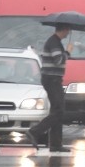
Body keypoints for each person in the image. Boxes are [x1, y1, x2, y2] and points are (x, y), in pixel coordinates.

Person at [26, 23, 73, 152]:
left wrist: (65, 52)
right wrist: (68, 51)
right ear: (63, 29)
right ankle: (34, 132)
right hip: (52, 80)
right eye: (68, 30)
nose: (68, 33)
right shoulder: (53, 42)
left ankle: (56, 144)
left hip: (53, 79)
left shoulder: (56, 42)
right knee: (59, 111)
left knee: (57, 111)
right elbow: (58, 60)